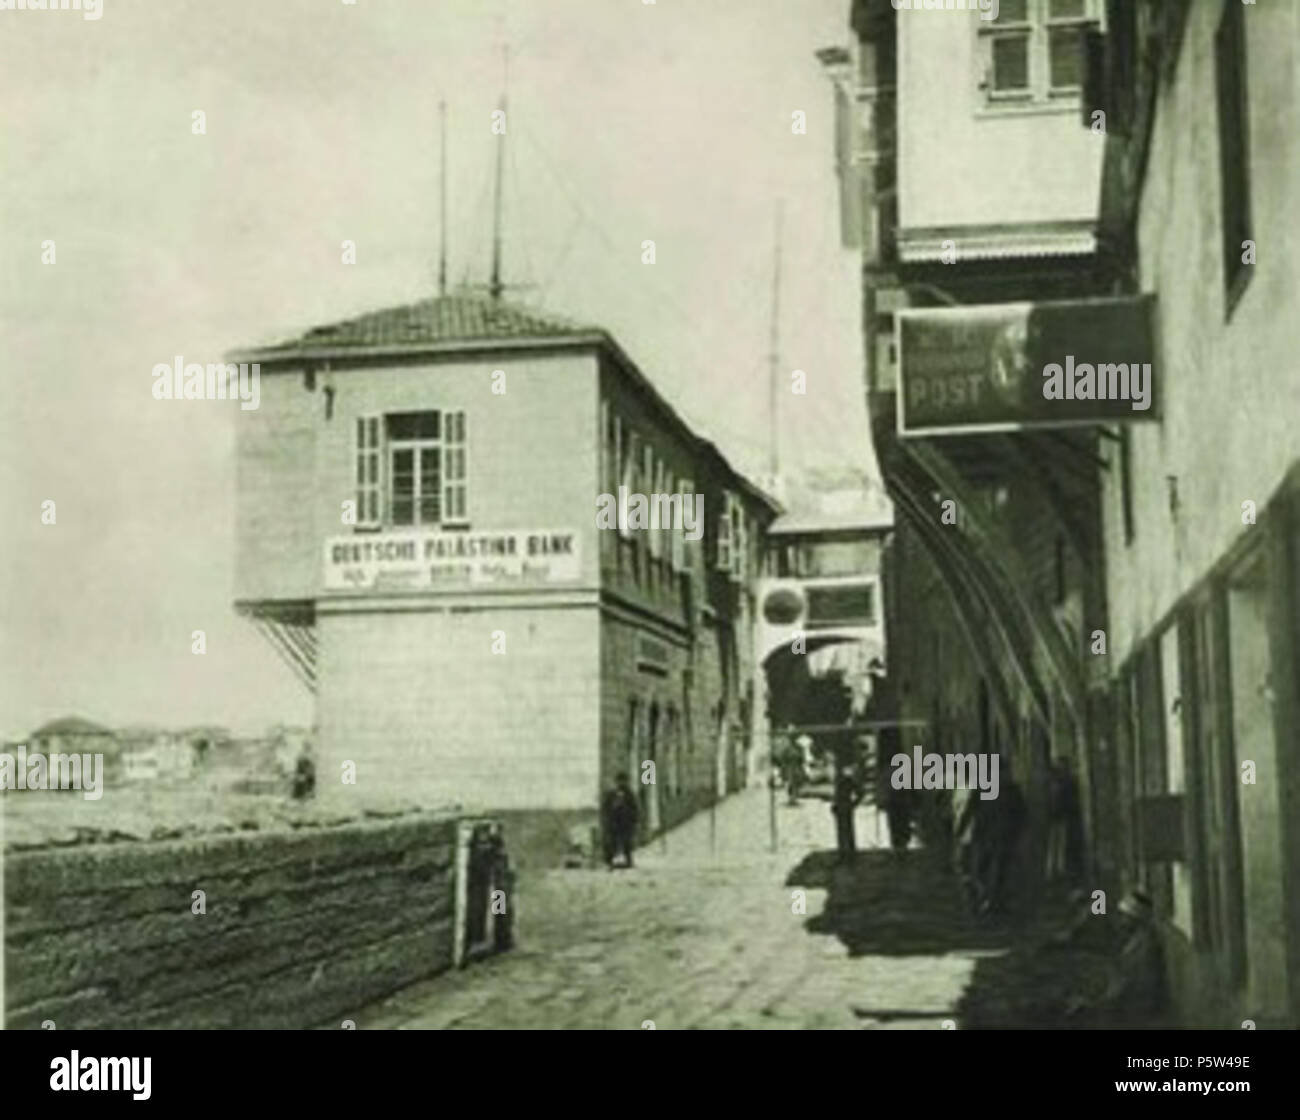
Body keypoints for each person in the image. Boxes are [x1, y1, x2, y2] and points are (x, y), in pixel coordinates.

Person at [601, 772, 640, 869]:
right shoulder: (612, 794)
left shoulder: (629, 794)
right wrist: (607, 820)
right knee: (612, 843)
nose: (621, 783)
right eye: (619, 781)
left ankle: (628, 860)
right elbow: (606, 807)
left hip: (626, 823)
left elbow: (634, 808)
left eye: (623, 781)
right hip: (614, 823)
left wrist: (634, 820)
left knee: (627, 843)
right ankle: (610, 861)